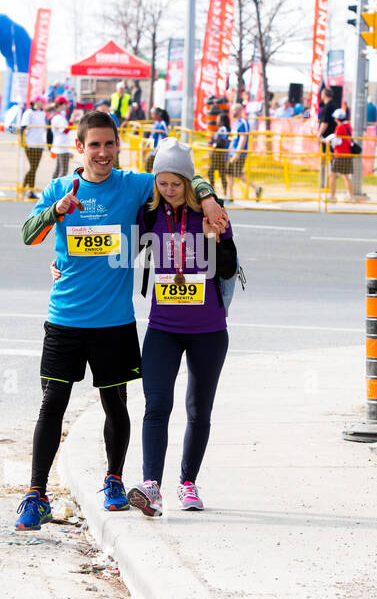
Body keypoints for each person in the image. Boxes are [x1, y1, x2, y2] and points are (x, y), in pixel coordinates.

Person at [14, 111, 227, 530]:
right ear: (80, 147)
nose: (103, 152)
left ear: (118, 145)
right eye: (94, 144)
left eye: (109, 144)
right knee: (51, 404)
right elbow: (27, 234)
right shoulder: (60, 188)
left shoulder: (133, 186)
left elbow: (180, 176)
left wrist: (206, 197)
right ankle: (36, 495)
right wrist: (57, 210)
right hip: (64, 320)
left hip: (114, 323)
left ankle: (113, 481)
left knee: (116, 404)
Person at [124, 139, 237, 516]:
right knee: (156, 406)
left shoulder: (211, 212)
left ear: (189, 182)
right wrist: (62, 261)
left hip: (208, 329)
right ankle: (151, 486)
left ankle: (188, 483)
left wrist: (211, 234)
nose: (169, 190)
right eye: (163, 183)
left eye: (176, 183)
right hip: (163, 328)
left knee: (198, 410)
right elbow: (118, 253)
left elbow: (227, 267)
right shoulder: (150, 215)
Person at [20, 98, 47, 199]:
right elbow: (23, 128)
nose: (42, 103)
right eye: (41, 101)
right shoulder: (29, 112)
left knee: (34, 168)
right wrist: (23, 142)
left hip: (39, 144)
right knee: (33, 167)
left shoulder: (42, 113)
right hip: (30, 143)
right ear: (35, 102)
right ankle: (27, 189)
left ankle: (27, 189)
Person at [327, 107, 355, 201]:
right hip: (347, 153)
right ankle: (351, 196)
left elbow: (337, 141)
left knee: (332, 174)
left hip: (340, 154)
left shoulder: (340, 127)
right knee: (346, 176)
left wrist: (328, 141)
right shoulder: (348, 126)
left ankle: (332, 195)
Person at [50, 98, 74, 179]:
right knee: (63, 171)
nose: (66, 106)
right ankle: (57, 189)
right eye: (65, 104)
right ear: (60, 105)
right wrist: (72, 120)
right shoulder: (58, 117)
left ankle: (52, 188)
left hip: (61, 146)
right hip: (62, 147)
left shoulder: (59, 116)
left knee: (58, 170)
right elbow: (65, 130)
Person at [208, 111, 231, 196]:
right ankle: (220, 190)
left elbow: (223, 141)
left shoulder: (223, 129)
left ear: (222, 121)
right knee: (220, 174)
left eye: (218, 119)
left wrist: (215, 139)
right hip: (219, 154)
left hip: (219, 155)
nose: (216, 121)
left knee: (214, 172)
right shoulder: (221, 129)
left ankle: (218, 190)